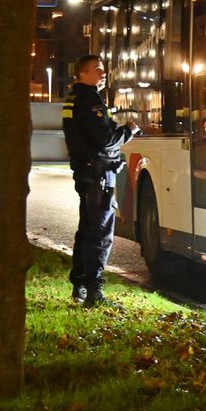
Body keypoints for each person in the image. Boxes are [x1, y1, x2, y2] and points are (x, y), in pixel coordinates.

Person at [62, 54, 140, 308]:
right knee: (100, 232)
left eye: (103, 69)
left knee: (86, 229)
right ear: (82, 74)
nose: (103, 73)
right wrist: (129, 130)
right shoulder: (90, 100)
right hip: (98, 175)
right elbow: (105, 140)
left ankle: (80, 285)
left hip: (86, 172)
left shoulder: (73, 99)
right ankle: (94, 290)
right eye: (97, 70)